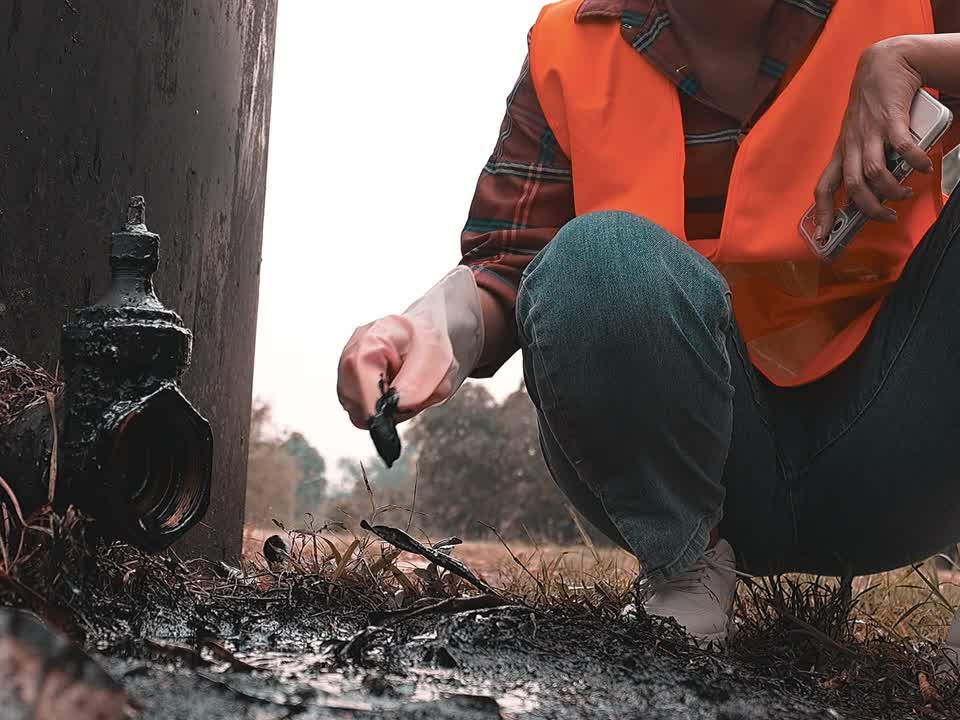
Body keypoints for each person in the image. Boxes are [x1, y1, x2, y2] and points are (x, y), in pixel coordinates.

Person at [336, 0, 960, 647]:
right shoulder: (567, 46)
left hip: (897, 443)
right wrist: (434, 325)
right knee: (598, 253)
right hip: (683, 467)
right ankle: (685, 574)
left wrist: (913, 56)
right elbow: (511, 262)